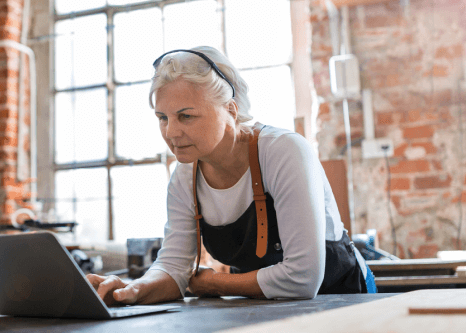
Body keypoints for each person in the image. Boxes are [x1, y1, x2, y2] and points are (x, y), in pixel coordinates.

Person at [86, 46, 376, 306]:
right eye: (163, 118)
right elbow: (174, 268)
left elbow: (302, 278)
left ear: (231, 109)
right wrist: (134, 290)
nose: (171, 133)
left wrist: (213, 283)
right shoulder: (184, 177)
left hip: (343, 301)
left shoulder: (284, 151)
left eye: (186, 116)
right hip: (263, 309)